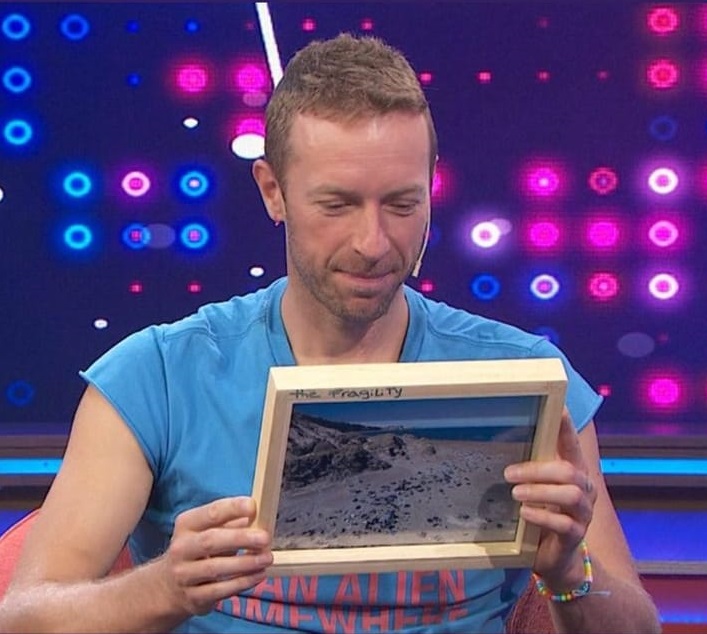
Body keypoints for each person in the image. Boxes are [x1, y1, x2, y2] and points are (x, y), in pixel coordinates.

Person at [0, 33, 660, 634]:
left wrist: (569, 574)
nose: (373, 243)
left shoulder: (525, 376)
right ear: (273, 191)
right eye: (337, 204)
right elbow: (25, 617)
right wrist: (164, 589)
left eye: (401, 204)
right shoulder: (159, 377)